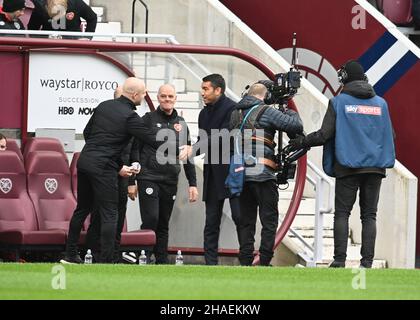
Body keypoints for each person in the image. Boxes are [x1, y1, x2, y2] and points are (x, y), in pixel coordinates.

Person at [61, 77, 187, 264]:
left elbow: (88, 133)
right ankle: (107, 259)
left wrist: (113, 161)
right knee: (111, 212)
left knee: (82, 209)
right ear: (135, 94)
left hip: (85, 161)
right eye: (144, 93)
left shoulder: (104, 106)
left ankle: (70, 254)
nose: (144, 96)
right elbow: (152, 138)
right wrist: (177, 150)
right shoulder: (130, 117)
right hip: (103, 167)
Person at [288, 60, 395, 268]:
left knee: (343, 213)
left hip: (348, 167)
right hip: (375, 168)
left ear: (344, 79)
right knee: (369, 215)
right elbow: (391, 135)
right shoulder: (381, 104)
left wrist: (301, 142)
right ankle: (367, 263)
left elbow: (324, 134)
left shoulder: (339, 102)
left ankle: (339, 261)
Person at [229, 83, 303, 266]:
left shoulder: (234, 113)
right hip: (262, 173)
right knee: (268, 220)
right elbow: (295, 125)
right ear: (265, 95)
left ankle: (245, 259)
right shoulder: (265, 111)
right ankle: (264, 261)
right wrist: (287, 108)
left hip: (240, 175)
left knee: (246, 221)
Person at [127, 84, 198, 264]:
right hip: (148, 177)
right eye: (164, 96)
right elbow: (135, 149)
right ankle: (144, 256)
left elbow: (187, 154)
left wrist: (192, 184)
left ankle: (161, 261)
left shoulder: (181, 123)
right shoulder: (148, 119)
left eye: (170, 96)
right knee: (151, 218)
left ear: (175, 98)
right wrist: (132, 180)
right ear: (158, 98)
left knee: (163, 223)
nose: (167, 100)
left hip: (170, 179)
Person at [189, 74, 242, 265]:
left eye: (205, 89)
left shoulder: (234, 109)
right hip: (212, 171)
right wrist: (188, 151)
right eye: (202, 89)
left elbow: (226, 136)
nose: (202, 92)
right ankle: (210, 263)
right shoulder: (203, 114)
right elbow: (202, 142)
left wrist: (194, 148)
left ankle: (246, 259)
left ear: (218, 90)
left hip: (232, 171)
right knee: (211, 221)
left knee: (239, 217)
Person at [28, 0, 97, 38]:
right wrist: (38, 42)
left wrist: (87, 37)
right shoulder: (41, 5)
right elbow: (32, 28)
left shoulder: (76, 3)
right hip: (48, 44)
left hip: (73, 44)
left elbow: (92, 17)